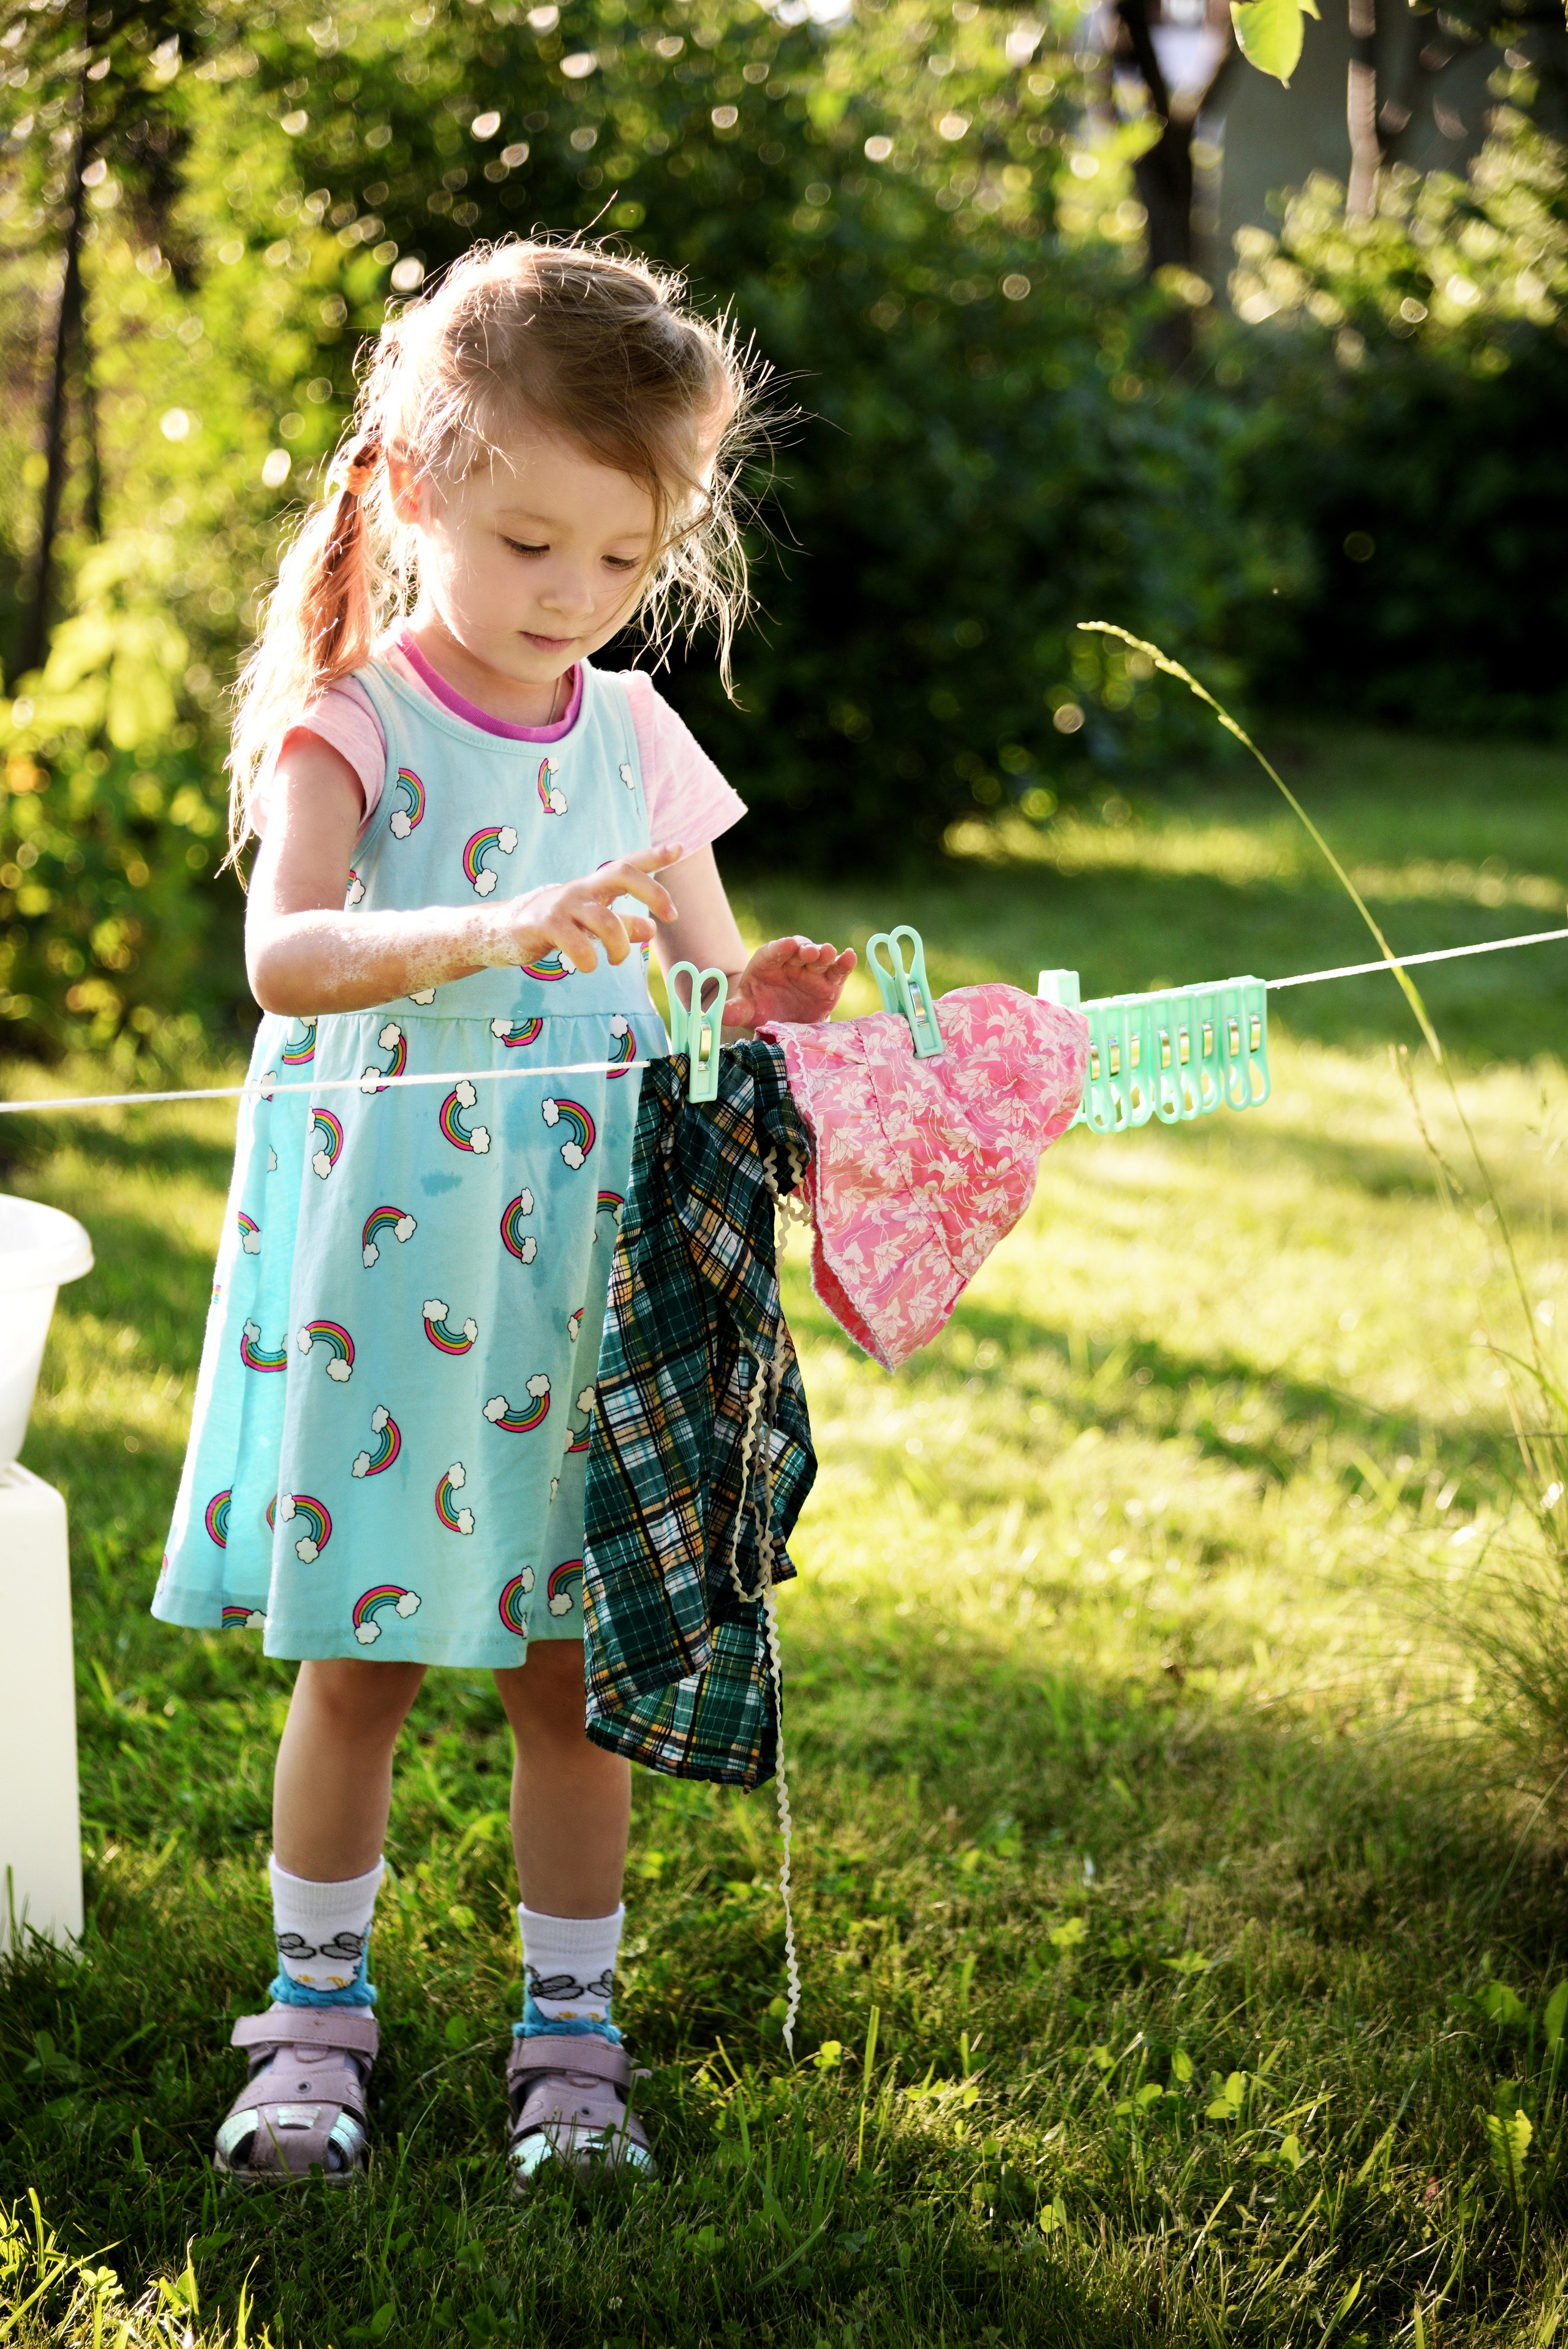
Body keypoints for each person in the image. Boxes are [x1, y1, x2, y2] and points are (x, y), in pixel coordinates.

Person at [153, 238, 854, 2188]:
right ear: (416, 487)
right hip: (389, 1274)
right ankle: (312, 2022)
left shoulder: (640, 741)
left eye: (623, 558)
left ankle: (571, 2038)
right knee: (360, 1662)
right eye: (532, 542)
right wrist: (496, 928)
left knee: (570, 1673)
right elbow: (287, 954)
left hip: (580, 1287)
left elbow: (697, 995)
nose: (574, 595)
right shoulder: (358, 721)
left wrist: (760, 1005)